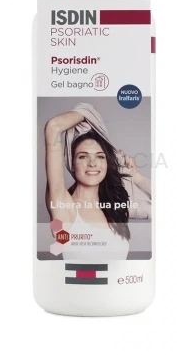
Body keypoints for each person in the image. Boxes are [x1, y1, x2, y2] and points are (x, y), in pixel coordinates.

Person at [44, 106, 150, 260]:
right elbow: (53, 127)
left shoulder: (113, 207)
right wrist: (89, 112)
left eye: (100, 156)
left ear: (107, 163)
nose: (92, 163)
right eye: (83, 156)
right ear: (72, 164)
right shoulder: (64, 206)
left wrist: (137, 177)